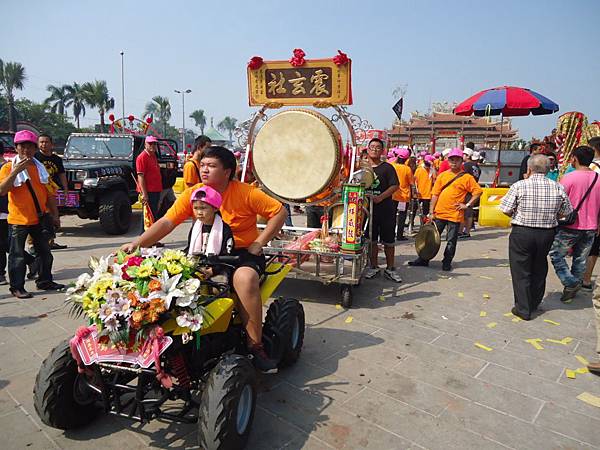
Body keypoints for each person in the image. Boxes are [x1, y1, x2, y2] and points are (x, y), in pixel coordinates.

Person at [122, 146, 287, 372]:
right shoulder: (194, 193)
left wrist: (260, 242)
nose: (204, 170)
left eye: (211, 166)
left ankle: (255, 345)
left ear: (227, 171)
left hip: (240, 254)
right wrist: (138, 243)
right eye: (202, 165)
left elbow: (279, 212)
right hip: (203, 252)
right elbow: (167, 222)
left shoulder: (246, 192)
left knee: (245, 279)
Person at [500, 154, 573, 320]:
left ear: (529, 168)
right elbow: (566, 212)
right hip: (546, 233)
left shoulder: (520, 185)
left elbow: (505, 208)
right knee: (539, 266)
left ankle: (523, 308)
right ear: (548, 169)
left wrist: (517, 213)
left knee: (521, 269)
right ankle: (534, 302)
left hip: (522, 232)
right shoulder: (557, 187)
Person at [0, 130, 65, 298]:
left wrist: (55, 215)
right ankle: (17, 287)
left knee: (45, 253)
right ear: (16, 148)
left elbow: (50, 194)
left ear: (35, 149)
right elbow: (2, 190)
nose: (26, 150)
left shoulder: (40, 168)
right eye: (23, 147)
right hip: (18, 220)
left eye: (30, 147)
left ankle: (45, 281)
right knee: (17, 256)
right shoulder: (7, 168)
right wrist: (16, 171)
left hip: (39, 218)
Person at [409, 148, 482, 271]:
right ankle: (423, 259)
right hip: (439, 213)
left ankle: (447, 261)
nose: (454, 162)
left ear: (461, 162)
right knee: (430, 237)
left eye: (457, 160)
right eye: (451, 159)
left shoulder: (467, 178)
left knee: (451, 241)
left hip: (455, 214)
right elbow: (435, 194)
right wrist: (431, 212)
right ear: (448, 161)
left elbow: (478, 192)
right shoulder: (442, 176)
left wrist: (468, 205)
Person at [549, 146, 600, 303]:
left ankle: (571, 283)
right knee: (580, 259)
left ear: (575, 159)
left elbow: (559, 201)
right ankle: (571, 289)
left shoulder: (569, 178)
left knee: (556, 254)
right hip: (591, 226)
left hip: (570, 226)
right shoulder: (598, 178)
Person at [362, 138, 401, 282]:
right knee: (371, 239)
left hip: (385, 209)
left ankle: (390, 268)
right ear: (368, 148)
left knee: (389, 240)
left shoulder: (387, 168)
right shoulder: (362, 167)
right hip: (367, 209)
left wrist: (381, 197)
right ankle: (374, 266)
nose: (375, 149)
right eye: (372, 147)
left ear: (382, 150)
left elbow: (395, 185)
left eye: (378, 147)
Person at [186, 185, 235, 279]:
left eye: (203, 208)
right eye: (196, 208)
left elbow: (228, 254)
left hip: (219, 268)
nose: (199, 212)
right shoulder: (195, 228)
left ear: (215, 208)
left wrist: (213, 270)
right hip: (198, 266)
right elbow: (189, 249)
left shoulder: (224, 229)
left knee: (218, 286)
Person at [35, 134, 68, 250]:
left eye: (46, 142)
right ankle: (33, 243)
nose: (43, 144)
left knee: (53, 216)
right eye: (41, 142)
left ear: (51, 144)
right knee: (37, 216)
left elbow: (62, 174)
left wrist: (65, 189)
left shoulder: (56, 159)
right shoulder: (35, 157)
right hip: (38, 191)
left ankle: (50, 241)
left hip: (51, 191)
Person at [582, 137, 600, 290]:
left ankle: (579, 277)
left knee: (585, 246)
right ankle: (587, 279)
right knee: (594, 247)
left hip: (589, 212)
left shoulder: (592, 168)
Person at [136, 136, 163, 225]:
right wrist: (144, 194)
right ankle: (144, 236)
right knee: (147, 216)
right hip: (148, 191)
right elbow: (141, 176)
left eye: (154, 143)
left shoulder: (153, 156)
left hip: (155, 190)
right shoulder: (142, 157)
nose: (153, 146)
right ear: (145, 144)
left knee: (153, 215)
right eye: (150, 143)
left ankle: (151, 237)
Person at [391, 148, 414, 241]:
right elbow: (411, 183)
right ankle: (400, 235)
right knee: (402, 216)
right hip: (403, 197)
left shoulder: (392, 166)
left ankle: (391, 234)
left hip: (392, 195)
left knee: (391, 216)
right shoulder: (407, 169)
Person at [459, 150, 482, 238]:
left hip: (466, 190)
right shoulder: (476, 166)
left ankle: (462, 231)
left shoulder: (465, 166)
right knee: (469, 211)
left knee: (465, 212)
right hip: (473, 190)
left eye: (463, 155)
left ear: (468, 156)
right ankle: (466, 231)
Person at [414, 154, 436, 221]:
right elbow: (415, 181)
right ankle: (411, 222)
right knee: (414, 209)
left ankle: (424, 223)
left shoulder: (431, 170)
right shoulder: (419, 169)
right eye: (426, 164)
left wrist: (433, 168)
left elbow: (435, 180)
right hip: (418, 193)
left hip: (427, 194)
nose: (427, 166)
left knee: (425, 211)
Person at [0, 142, 8, 285]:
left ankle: (0, 273)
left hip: (3, 211)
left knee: (2, 243)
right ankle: (30, 260)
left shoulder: (6, 168)